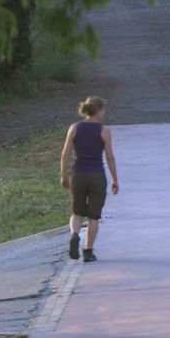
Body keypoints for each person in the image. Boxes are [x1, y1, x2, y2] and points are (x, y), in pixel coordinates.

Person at [60, 95, 120, 261]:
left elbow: (65, 153)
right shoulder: (104, 131)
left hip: (78, 174)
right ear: (99, 110)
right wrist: (115, 179)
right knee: (94, 216)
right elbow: (109, 158)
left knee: (77, 211)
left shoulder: (75, 127)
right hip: (96, 176)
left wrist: (63, 175)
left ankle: (74, 234)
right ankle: (88, 251)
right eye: (103, 109)